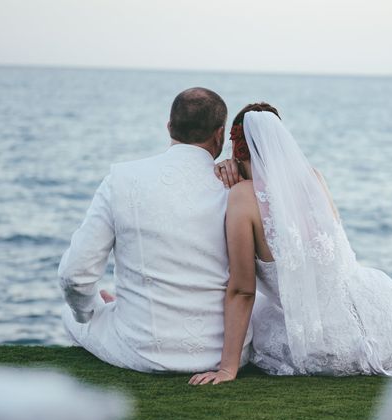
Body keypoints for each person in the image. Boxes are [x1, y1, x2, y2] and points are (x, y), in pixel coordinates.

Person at [190, 104, 392, 385]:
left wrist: (227, 367)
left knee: (263, 325)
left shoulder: (241, 199)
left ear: (236, 147)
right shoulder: (314, 178)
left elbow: (243, 290)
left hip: (327, 345)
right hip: (385, 318)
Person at [58, 87, 251, 373]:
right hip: (228, 352)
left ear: (169, 126)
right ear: (220, 134)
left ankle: (111, 310)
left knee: (72, 314)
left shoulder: (120, 180)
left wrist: (91, 312)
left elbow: (75, 276)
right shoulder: (236, 189)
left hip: (141, 350)